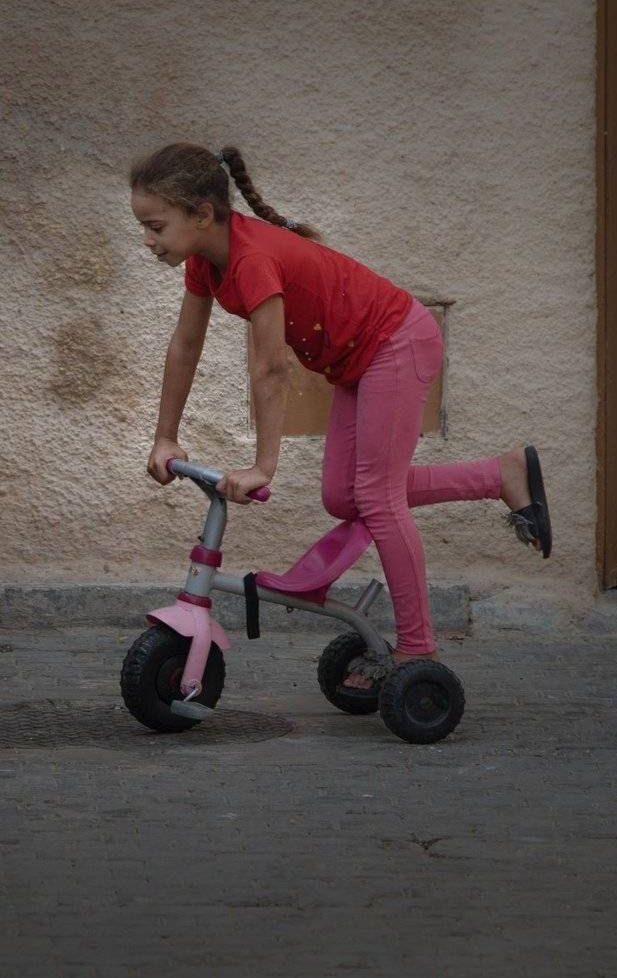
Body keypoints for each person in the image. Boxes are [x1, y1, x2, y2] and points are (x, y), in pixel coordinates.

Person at [131, 143, 551, 687]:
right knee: (345, 497)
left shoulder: (252, 260)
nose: (148, 240)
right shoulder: (206, 263)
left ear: (202, 215)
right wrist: (165, 437)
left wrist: (263, 466)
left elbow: (270, 368)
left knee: (376, 498)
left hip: (396, 342)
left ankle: (417, 651)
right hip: (359, 362)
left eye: (156, 227)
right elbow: (185, 344)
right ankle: (500, 475)